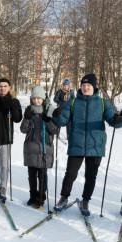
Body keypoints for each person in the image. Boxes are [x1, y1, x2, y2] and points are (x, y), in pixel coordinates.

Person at [52, 74, 122, 216]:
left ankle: (85, 201)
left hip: (95, 145)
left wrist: (118, 119)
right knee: (70, 174)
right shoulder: (72, 102)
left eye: (88, 85)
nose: (85, 88)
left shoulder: (103, 103)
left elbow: (113, 122)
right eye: (83, 85)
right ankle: (64, 197)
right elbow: (62, 121)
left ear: (94, 87)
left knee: (91, 176)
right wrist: (57, 115)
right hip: (76, 143)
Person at [20, 86, 57, 209]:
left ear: (43, 98)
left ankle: (41, 197)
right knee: (31, 174)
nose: (36, 101)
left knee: (42, 174)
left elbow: (54, 131)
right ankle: (33, 196)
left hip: (44, 148)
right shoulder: (29, 111)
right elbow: (23, 129)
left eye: (39, 98)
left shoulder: (49, 110)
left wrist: (48, 120)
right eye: (34, 98)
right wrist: (26, 118)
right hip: (31, 148)